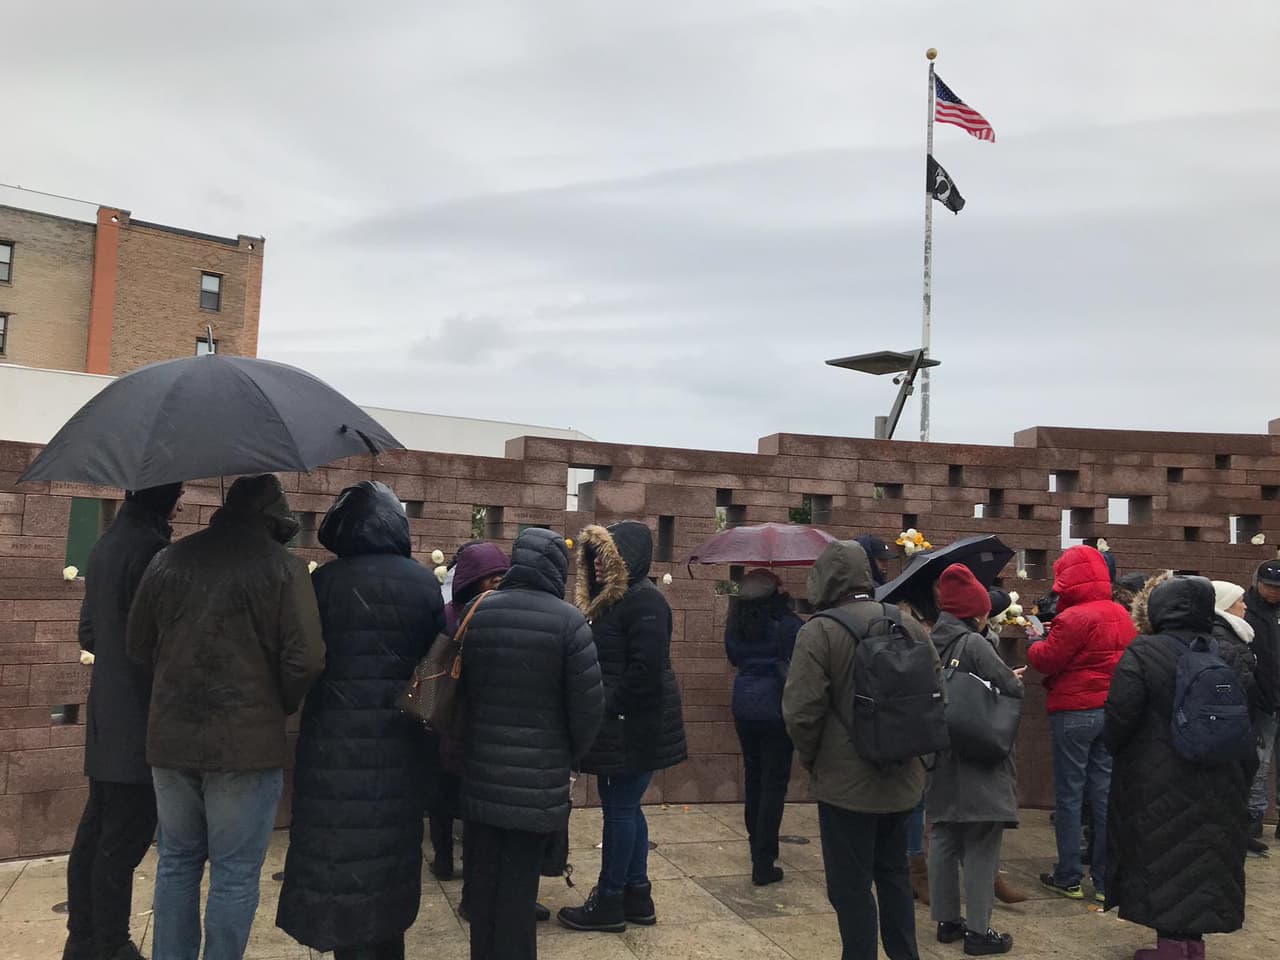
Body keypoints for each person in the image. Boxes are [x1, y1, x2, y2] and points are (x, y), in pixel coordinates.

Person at [127, 474, 325, 960]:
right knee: (234, 873)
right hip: (247, 746)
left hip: (171, 739)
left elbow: (137, 645)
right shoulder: (285, 569)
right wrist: (276, 703)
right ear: (274, 516)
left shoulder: (167, 560)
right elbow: (306, 660)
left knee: (176, 862)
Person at [276, 483, 445, 960]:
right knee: (390, 857)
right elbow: (434, 669)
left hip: (331, 748)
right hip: (399, 749)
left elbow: (304, 658)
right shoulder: (423, 585)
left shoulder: (324, 584)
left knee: (339, 856)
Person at [783, 540, 935, 960]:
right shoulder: (908, 624)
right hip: (902, 779)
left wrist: (814, 760)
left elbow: (801, 712)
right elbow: (935, 696)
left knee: (850, 887)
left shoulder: (819, 631)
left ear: (826, 579)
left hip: (845, 788)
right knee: (894, 877)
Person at [460, 527, 603, 960]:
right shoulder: (569, 622)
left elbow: (461, 694)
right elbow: (588, 710)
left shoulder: (478, 610)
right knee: (519, 892)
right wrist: (567, 756)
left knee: (483, 887)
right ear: (558, 567)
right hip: (537, 785)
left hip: (481, 775)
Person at [64, 484, 184, 960]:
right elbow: (160, 640)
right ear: (165, 496)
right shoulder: (153, 551)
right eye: (178, 492)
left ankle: (82, 937)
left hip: (107, 711)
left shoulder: (106, 545)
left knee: (96, 828)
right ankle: (111, 944)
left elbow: (89, 632)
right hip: (142, 712)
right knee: (124, 836)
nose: (181, 502)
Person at [1106, 576, 1254, 960]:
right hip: (1222, 777)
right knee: (1205, 859)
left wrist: (1120, 753)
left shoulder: (1143, 651)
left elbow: (1120, 715)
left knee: (1164, 858)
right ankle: (1192, 947)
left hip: (1157, 778)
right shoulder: (1230, 652)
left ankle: (1171, 949)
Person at [559, 521, 688, 933]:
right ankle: (637, 894)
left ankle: (610, 899)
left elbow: (644, 671)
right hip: (625, 724)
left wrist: (604, 708)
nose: (597, 565)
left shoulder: (645, 602)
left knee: (618, 811)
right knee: (627, 808)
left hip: (631, 726)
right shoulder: (615, 601)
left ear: (626, 559)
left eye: (605, 557)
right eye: (593, 557)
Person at [1026, 545, 1135, 904]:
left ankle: (1068, 876)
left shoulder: (1072, 618)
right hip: (1110, 711)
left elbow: (1047, 661)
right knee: (1103, 794)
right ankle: (1104, 881)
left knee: (1070, 796)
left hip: (1073, 712)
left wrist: (1036, 640)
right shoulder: (1120, 613)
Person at [926, 565, 1024, 956]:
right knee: (982, 839)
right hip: (979, 754)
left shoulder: (930, 641)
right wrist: (1012, 679)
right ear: (975, 612)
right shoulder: (974, 644)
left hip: (942, 752)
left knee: (944, 835)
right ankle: (979, 932)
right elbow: (1010, 687)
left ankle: (946, 920)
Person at [430, 540, 511, 881]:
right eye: (491, 575)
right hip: (478, 717)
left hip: (449, 714)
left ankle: (444, 860)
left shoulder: (447, 612)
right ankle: (466, 864)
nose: (497, 580)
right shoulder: (503, 613)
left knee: (444, 793)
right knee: (467, 797)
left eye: (501, 574)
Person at [724, 568, 803, 885]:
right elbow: (800, 655)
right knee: (774, 784)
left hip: (744, 706)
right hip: (776, 708)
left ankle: (756, 842)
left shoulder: (736, 623)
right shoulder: (787, 624)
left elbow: (733, 656)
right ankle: (764, 860)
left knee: (754, 778)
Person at [1244, 560, 1280, 848]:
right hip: (1261, 701)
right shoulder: (1245, 609)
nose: (1274, 591)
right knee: (1259, 761)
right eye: (1269, 586)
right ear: (1257, 583)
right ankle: (1254, 817)